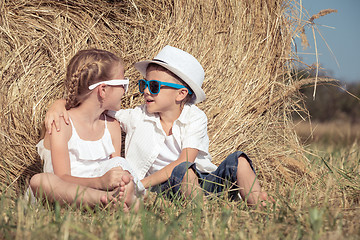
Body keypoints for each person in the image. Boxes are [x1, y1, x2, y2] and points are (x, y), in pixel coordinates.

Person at [46, 46, 271, 206]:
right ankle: (201, 217)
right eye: (143, 84)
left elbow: (185, 160)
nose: (144, 90)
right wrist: (59, 104)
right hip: (163, 190)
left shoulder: (195, 117)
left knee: (238, 161)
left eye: (153, 86)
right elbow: (94, 102)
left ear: (181, 94)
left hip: (202, 180)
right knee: (183, 174)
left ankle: (259, 201)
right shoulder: (135, 116)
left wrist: (140, 183)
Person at [29, 49, 144, 210]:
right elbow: (61, 177)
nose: (125, 91)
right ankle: (107, 201)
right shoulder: (62, 124)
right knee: (39, 181)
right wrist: (99, 182)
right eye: (123, 84)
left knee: (120, 164)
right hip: (64, 193)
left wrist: (118, 181)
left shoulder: (111, 125)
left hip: (101, 188)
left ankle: (118, 200)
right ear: (103, 90)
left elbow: (115, 172)